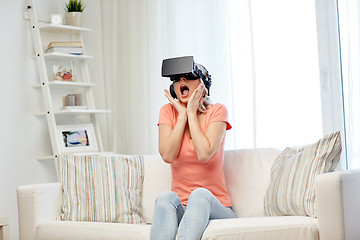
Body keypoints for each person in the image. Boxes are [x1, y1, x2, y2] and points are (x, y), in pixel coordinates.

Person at [151, 59, 236, 240]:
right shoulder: (168, 112)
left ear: (203, 85)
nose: (182, 81)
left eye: (188, 77)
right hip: (183, 210)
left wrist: (191, 112)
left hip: (216, 207)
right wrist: (181, 117)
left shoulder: (218, 111)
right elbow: (167, 155)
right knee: (165, 197)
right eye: (176, 79)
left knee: (199, 194)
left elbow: (204, 153)